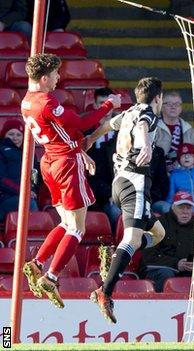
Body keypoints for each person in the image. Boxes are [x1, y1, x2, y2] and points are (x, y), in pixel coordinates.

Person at [20, 53, 121, 309]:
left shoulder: (26, 101)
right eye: (55, 74)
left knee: (66, 223)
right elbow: (82, 122)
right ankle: (51, 277)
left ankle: (37, 262)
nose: (57, 79)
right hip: (65, 165)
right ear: (44, 78)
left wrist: (81, 152)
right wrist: (109, 105)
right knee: (77, 228)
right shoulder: (46, 101)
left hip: (50, 163)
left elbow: (61, 134)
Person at [86, 77, 166, 323]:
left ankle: (116, 256)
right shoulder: (147, 114)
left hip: (119, 185)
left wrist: (90, 139)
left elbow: (109, 125)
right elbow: (143, 126)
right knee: (131, 238)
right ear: (158, 98)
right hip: (135, 184)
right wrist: (146, 147)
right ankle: (105, 291)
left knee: (159, 233)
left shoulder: (129, 112)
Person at [140, 191, 194, 292]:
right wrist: (176, 264)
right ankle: (159, 304)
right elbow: (148, 256)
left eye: (188, 208)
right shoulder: (158, 224)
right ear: (173, 208)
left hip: (188, 270)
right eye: (181, 207)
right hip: (158, 268)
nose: (185, 211)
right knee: (166, 274)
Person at [86, 87, 121, 229]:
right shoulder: (86, 131)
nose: (106, 109)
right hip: (96, 192)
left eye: (109, 104)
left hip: (120, 190)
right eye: (102, 103)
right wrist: (109, 193)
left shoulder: (123, 131)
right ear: (95, 105)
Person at [0, 120, 39, 221]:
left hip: (25, 196)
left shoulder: (30, 152)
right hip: (4, 198)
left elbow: (34, 175)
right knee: (29, 203)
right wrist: (22, 191)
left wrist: (32, 190)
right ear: (4, 135)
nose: (15, 138)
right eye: (11, 134)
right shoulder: (1, 150)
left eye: (19, 135)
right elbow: (1, 179)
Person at [154, 91, 194, 172]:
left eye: (177, 104)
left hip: (181, 176)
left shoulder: (189, 130)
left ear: (181, 108)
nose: (173, 107)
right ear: (162, 107)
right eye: (169, 104)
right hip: (158, 175)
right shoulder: (154, 127)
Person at [165, 143, 194, 210]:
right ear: (179, 159)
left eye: (190, 155)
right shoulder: (174, 175)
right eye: (183, 155)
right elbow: (171, 196)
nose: (186, 157)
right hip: (182, 211)